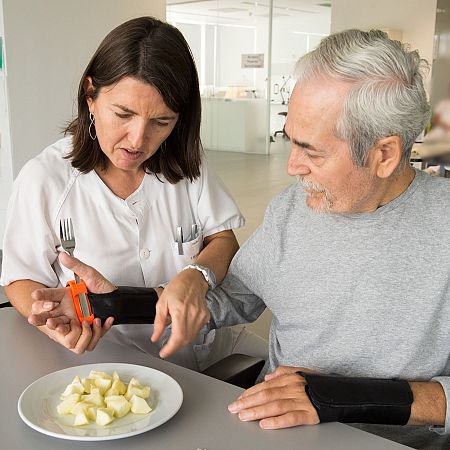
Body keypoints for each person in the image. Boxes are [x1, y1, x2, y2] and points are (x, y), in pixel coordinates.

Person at [29, 29, 450, 448]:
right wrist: (112, 303)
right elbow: (229, 300)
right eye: (290, 141)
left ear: (385, 155)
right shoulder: (293, 209)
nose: (292, 168)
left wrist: (343, 399)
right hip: (276, 433)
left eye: (313, 151)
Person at [0, 16, 267, 371]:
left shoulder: (185, 163)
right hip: (107, 358)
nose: (138, 140)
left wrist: (196, 275)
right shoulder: (44, 178)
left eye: (161, 122)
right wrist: (52, 321)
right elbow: (20, 278)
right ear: (91, 95)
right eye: (123, 114)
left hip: (199, 349)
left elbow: (222, 238)